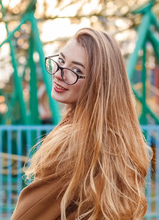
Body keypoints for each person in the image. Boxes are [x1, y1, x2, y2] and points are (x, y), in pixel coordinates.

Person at [10, 27, 151, 220]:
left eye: (76, 70)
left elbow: (25, 215)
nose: (59, 74)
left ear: (97, 83)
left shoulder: (73, 142)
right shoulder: (125, 142)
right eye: (60, 61)